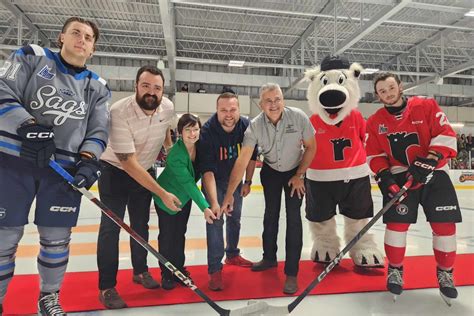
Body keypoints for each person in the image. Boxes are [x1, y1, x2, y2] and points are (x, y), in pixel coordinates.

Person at [0, 17, 109, 315]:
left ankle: (48, 298)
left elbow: (98, 132)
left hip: (63, 172)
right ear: (61, 37)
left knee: (56, 240)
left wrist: (87, 162)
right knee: (4, 237)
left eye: (88, 37)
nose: (81, 39)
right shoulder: (31, 56)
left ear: (92, 49)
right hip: (13, 162)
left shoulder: (97, 87)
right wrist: (29, 126)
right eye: (75, 33)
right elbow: (2, 91)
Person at [366, 72, 462, 304]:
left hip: (435, 173)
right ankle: (395, 270)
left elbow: (446, 135)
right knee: (396, 225)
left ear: (400, 86)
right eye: (382, 91)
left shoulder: (426, 105)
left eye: (390, 87)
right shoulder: (375, 121)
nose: (388, 93)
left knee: (444, 225)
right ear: (378, 96)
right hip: (401, 177)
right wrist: (385, 178)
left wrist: (429, 159)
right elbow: (375, 155)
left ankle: (445, 273)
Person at [96, 65, 180, 309]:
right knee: (111, 230)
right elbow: (129, 164)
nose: (151, 92)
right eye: (146, 86)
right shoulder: (119, 111)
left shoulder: (167, 107)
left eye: (157, 88)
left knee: (141, 226)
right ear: (136, 86)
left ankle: (140, 271)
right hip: (116, 171)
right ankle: (107, 287)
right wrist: (161, 193)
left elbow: (166, 130)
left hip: (146, 169)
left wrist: (170, 151)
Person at [221, 83, 316, 294]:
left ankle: (291, 273)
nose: (274, 104)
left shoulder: (298, 117)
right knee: (270, 215)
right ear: (261, 104)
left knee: (293, 219)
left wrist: (300, 175)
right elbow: (243, 159)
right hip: (271, 172)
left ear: (282, 99)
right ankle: (269, 258)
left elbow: (312, 146)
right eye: (268, 101)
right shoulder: (254, 126)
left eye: (277, 99)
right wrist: (230, 194)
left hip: (295, 173)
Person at [198, 92, 257, 291]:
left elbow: (251, 158)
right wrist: (215, 202)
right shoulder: (208, 131)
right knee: (215, 221)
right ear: (217, 110)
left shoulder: (246, 126)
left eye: (233, 109)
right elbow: (207, 171)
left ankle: (232, 254)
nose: (229, 114)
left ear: (239, 109)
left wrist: (248, 181)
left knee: (235, 218)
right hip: (214, 181)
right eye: (224, 110)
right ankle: (215, 269)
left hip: (237, 182)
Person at [153, 113, 217, 290]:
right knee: (167, 237)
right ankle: (166, 274)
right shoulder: (175, 154)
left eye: (195, 129)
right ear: (180, 132)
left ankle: (178, 270)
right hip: (166, 198)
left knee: (180, 234)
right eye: (188, 130)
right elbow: (189, 183)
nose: (192, 134)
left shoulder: (200, 148)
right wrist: (205, 207)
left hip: (184, 199)